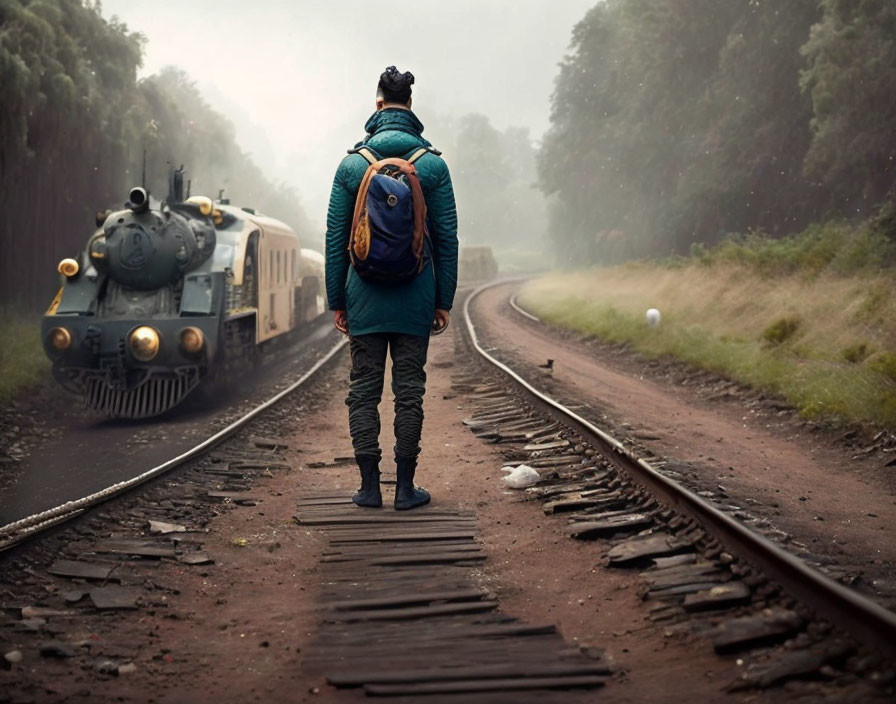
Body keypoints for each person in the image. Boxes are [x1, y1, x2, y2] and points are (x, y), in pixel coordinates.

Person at [324, 66, 459, 510]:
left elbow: (335, 237)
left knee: (363, 390)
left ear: (378, 104)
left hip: (363, 298)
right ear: (410, 106)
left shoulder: (351, 166)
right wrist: (443, 301)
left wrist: (338, 302)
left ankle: (367, 488)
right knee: (409, 392)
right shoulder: (433, 166)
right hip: (415, 299)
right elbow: (446, 237)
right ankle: (404, 489)